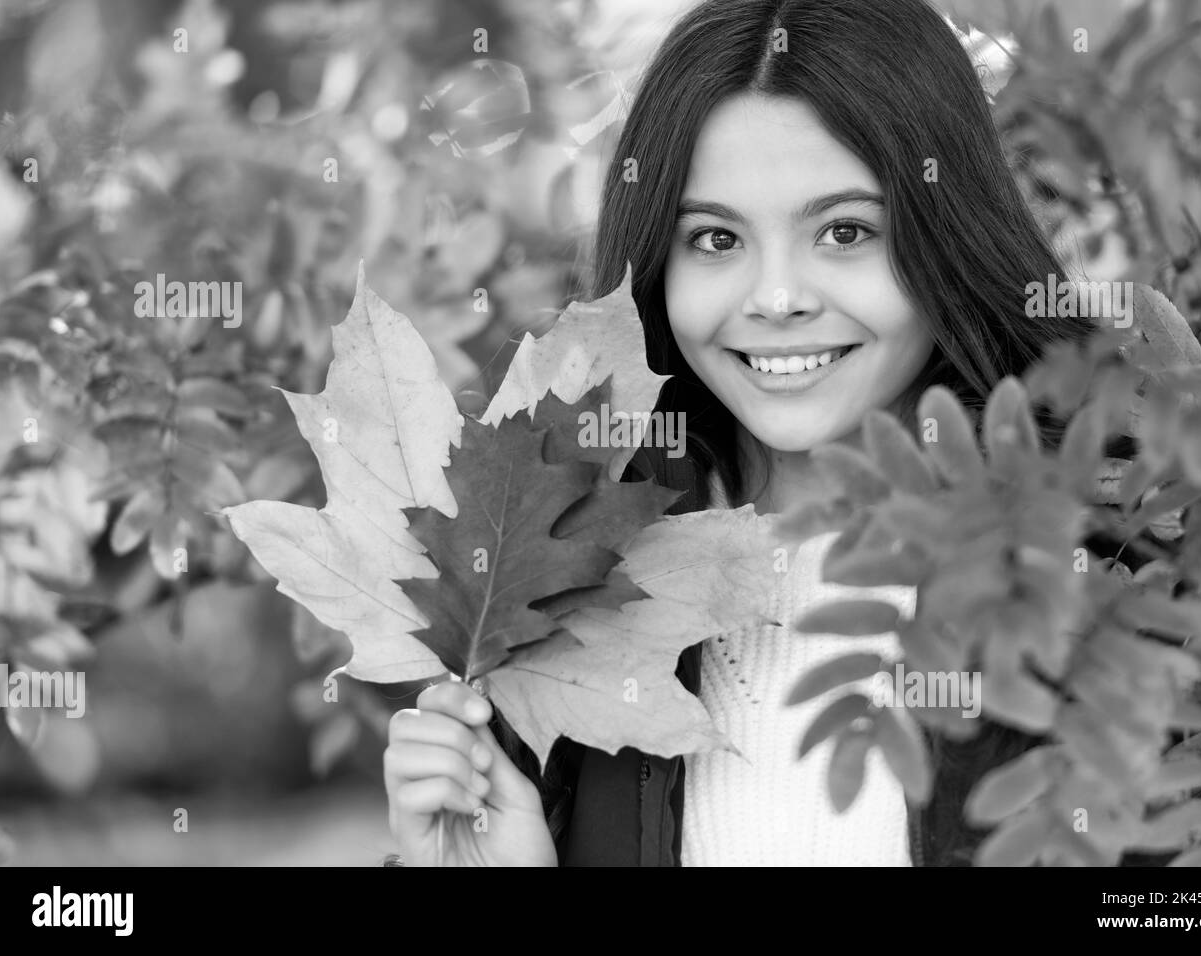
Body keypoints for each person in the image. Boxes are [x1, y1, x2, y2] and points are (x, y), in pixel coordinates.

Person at [384, 0, 1108, 866]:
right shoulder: (561, 585)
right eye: (716, 238)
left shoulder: (1106, 555)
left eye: (845, 231)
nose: (775, 297)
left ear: (947, 237)